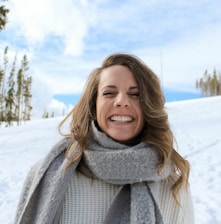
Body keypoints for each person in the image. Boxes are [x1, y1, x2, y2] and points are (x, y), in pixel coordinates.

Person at [14, 53, 194, 224]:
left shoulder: (175, 188)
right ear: (94, 106)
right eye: (109, 93)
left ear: (148, 107)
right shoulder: (47, 175)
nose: (121, 101)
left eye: (135, 94)